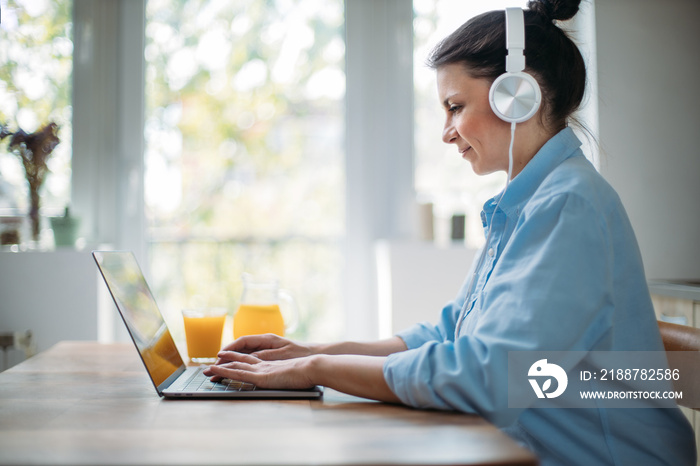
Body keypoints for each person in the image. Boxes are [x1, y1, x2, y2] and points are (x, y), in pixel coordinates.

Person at [205, 0, 697, 464]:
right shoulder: (531, 201)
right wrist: (315, 351)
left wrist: (314, 372)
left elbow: (486, 376)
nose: (446, 131)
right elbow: (447, 333)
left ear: (516, 96)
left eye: (455, 106)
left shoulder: (568, 205)